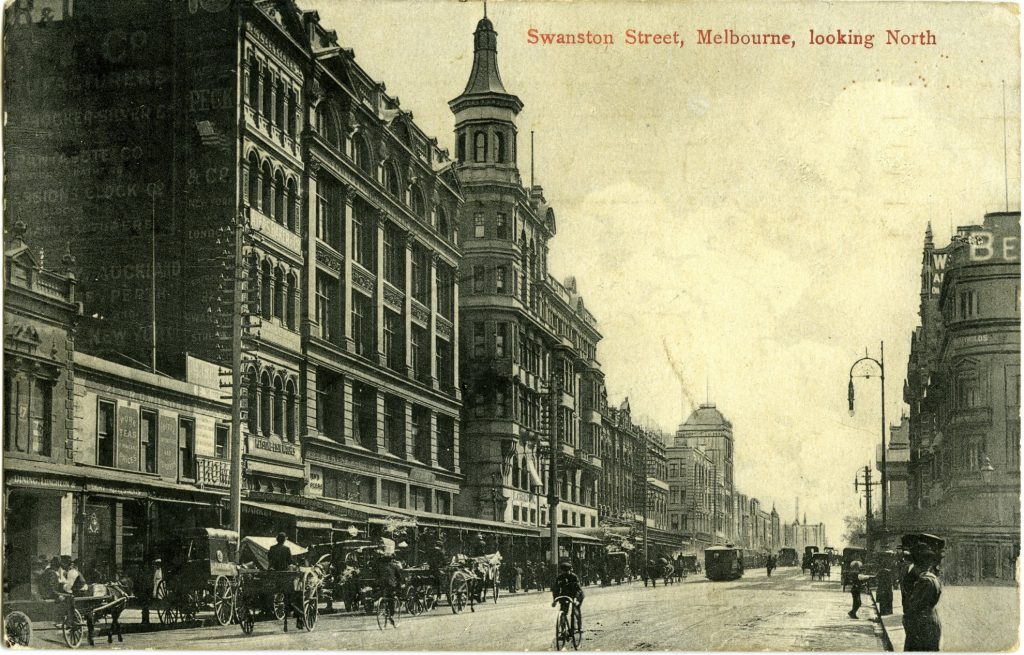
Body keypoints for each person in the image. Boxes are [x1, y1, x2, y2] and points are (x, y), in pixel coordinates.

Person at [904, 534, 943, 652]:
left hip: (922, 626)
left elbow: (914, 605)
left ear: (917, 564)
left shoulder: (925, 581)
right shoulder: (932, 578)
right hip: (930, 621)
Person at [551, 561, 585, 632]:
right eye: (563, 571)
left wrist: (576, 599)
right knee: (563, 611)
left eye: (567, 571)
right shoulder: (560, 578)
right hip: (565, 595)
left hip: (576, 595)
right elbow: (556, 590)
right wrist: (555, 600)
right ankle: (562, 629)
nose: (565, 573)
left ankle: (579, 627)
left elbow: (578, 589)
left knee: (575, 611)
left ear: (570, 570)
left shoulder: (574, 577)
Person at [379, 553, 404, 627]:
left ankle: (382, 607)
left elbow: (376, 575)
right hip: (390, 585)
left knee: (384, 596)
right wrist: (399, 586)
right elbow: (399, 577)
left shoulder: (380, 567)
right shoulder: (394, 566)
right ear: (392, 560)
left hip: (381, 585)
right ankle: (391, 615)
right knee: (392, 599)